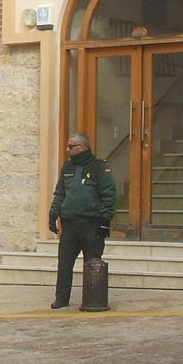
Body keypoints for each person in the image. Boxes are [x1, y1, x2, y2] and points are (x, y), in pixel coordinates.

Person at [48, 132, 116, 309]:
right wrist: (53, 214)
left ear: (83, 148)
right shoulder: (67, 169)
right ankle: (61, 298)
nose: (67, 149)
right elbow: (60, 194)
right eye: (67, 146)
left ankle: (93, 299)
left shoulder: (99, 167)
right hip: (70, 224)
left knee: (92, 264)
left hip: (91, 224)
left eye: (71, 146)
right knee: (64, 264)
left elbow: (108, 194)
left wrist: (105, 221)